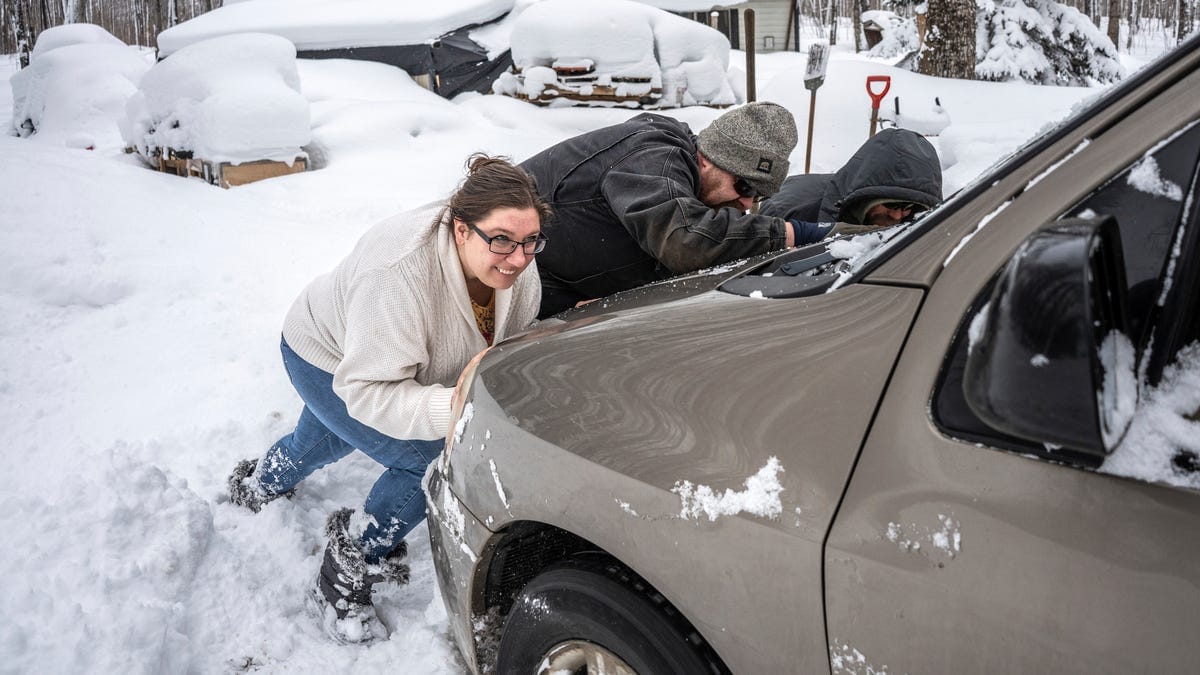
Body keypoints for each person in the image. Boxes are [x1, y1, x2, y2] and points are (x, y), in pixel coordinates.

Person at [225, 154, 550, 644]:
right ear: (460, 229)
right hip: (327, 360)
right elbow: (365, 390)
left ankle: (257, 484)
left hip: (383, 364)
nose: (518, 257)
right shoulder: (397, 273)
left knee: (321, 441)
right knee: (428, 464)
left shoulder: (514, 265)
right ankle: (347, 568)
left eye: (530, 241)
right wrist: (453, 409)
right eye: (502, 239)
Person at [520, 101, 832, 319]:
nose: (748, 204)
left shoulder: (683, 185)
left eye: (758, 195)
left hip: (543, 297)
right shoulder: (653, 154)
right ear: (710, 159)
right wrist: (793, 234)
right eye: (745, 187)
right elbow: (684, 241)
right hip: (490, 288)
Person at [758, 128, 943, 232]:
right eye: (892, 205)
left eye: (908, 208)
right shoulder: (788, 212)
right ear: (867, 197)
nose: (897, 216)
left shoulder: (912, 221)